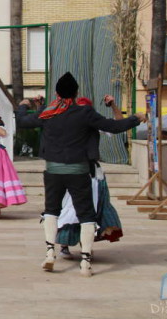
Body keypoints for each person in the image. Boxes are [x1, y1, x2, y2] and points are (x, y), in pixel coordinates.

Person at [15, 72, 145, 277]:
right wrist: (135, 119)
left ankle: (50, 253)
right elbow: (114, 126)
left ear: (57, 93)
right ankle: (85, 261)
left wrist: (23, 104)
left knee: (51, 210)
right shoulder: (85, 113)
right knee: (86, 214)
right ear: (76, 93)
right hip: (79, 171)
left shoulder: (47, 113)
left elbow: (22, 120)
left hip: (53, 170)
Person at [57, 94, 125, 258]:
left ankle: (85, 244)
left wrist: (113, 106)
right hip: (72, 171)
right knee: (70, 207)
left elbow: (119, 123)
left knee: (94, 207)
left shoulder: (95, 124)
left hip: (92, 172)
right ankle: (64, 244)